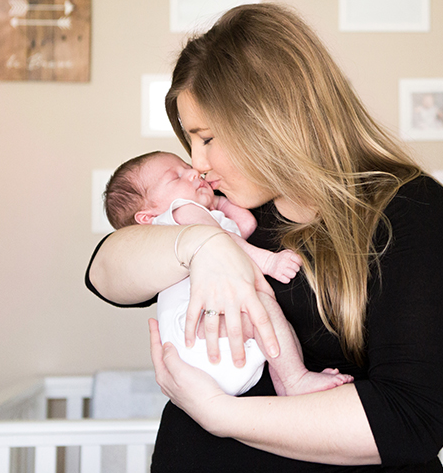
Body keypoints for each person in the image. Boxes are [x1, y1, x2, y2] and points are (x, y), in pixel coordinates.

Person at [86, 3, 443, 471]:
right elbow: (104, 273)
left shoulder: (412, 212)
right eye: (190, 141)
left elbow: (408, 421)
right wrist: (202, 245)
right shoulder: (225, 211)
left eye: (206, 139)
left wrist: (220, 414)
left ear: (271, 118)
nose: (197, 164)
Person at [102, 150, 353, 396]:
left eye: (186, 166)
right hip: (197, 331)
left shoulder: (201, 215)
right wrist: (269, 262)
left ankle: (289, 384)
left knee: (271, 322)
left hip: (208, 349)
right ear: (147, 217)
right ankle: (294, 379)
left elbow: (245, 225)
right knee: (262, 310)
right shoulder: (177, 212)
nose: (193, 172)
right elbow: (223, 241)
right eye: (175, 177)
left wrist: (218, 202)